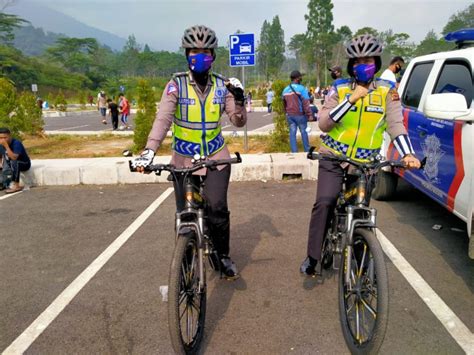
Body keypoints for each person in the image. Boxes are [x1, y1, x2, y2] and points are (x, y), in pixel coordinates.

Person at [131, 25, 247, 279]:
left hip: (216, 157)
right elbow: (163, 118)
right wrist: (149, 150)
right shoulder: (176, 85)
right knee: (184, 212)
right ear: (186, 55)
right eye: (194, 52)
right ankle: (184, 262)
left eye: (205, 53)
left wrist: (239, 99)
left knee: (217, 207)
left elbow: (238, 121)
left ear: (213, 56)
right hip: (183, 159)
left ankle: (224, 255)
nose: (199, 57)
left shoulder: (221, 85)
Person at [300, 34, 421, 276]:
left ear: (376, 62)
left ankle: (360, 261)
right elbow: (324, 123)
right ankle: (313, 256)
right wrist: (351, 100)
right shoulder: (339, 88)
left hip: (365, 164)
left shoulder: (388, 92)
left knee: (361, 208)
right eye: (356, 61)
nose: (362, 66)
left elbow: (396, 125)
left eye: (367, 60)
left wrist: (409, 154)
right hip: (333, 157)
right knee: (325, 201)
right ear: (350, 65)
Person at [282, 70, 313, 153]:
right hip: (300, 115)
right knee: (303, 131)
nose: (301, 78)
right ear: (297, 78)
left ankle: (294, 152)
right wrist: (310, 114)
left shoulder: (285, 90)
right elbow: (306, 102)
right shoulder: (301, 88)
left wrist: (286, 113)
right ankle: (307, 150)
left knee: (292, 132)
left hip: (290, 116)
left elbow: (284, 103)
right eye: (300, 77)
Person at [0, 127, 31, 194]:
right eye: (1, 138)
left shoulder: (16, 143)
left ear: (10, 136)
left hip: (23, 164)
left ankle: (16, 186)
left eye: (5, 138)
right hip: (10, 165)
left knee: (14, 162)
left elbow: (14, 158)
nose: (3, 140)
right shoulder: (0, 145)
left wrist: (6, 146)